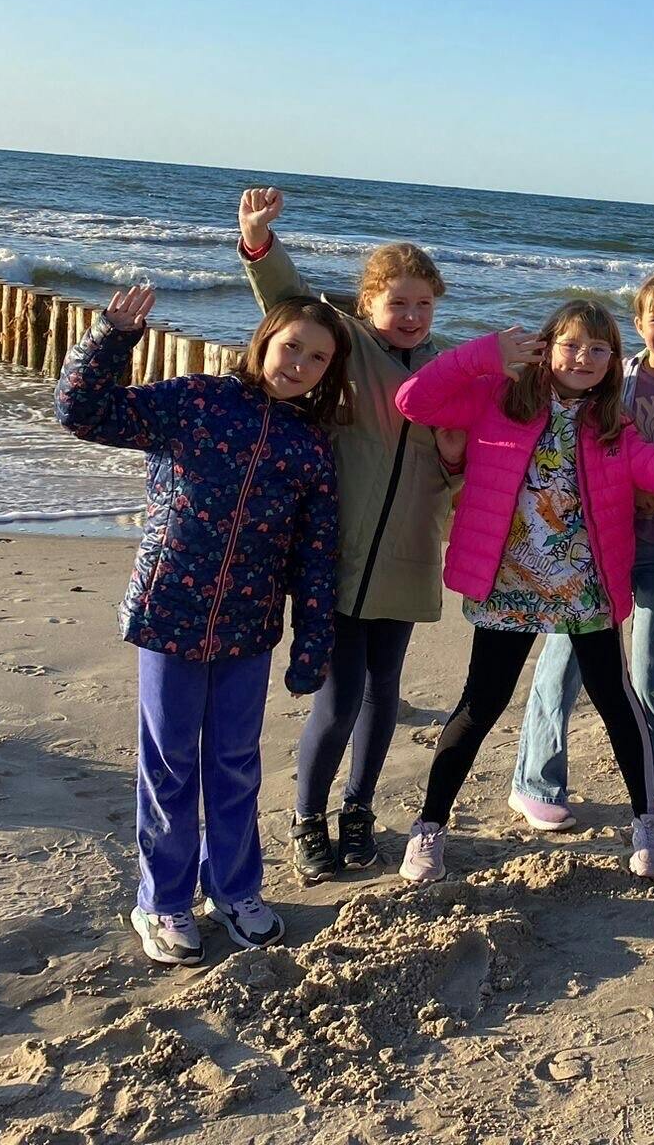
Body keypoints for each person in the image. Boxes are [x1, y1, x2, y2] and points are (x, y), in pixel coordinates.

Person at [390, 300, 654, 886]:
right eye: (571, 345)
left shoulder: (612, 428)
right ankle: (430, 828)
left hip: (583, 589)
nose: (584, 358)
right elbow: (413, 400)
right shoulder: (498, 399)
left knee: (615, 701)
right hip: (509, 584)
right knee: (480, 704)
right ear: (546, 348)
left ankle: (647, 822)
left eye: (599, 349)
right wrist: (485, 352)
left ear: (614, 361)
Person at [57, 284, 346, 965]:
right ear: (264, 342)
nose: (299, 364)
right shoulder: (195, 401)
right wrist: (110, 339)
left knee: (235, 763)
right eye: (291, 347)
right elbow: (84, 411)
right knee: (170, 764)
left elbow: (315, 555)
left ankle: (235, 890)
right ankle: (162, 900)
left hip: (248, 628)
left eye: (317, 358)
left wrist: (313, 642)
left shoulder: (310, 447)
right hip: (169, 614)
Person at [236, 186, 463, 882]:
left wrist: (457, 460)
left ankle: (358, 809)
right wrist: (259, 244)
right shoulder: (351, 348)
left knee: (385, 688)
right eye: (398, 303)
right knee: (338, 701)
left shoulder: (448, 370)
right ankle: (307, 817)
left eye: (423, 304)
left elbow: (465, 459)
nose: (412, 316)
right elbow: (292, 305)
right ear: (367, 305)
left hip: (410, 554)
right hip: (339, 556)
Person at [510, 270, 654, 842]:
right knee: (564, 662)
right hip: (595, 548)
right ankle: (536, 782)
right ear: (637, 324)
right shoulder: (616, 381)